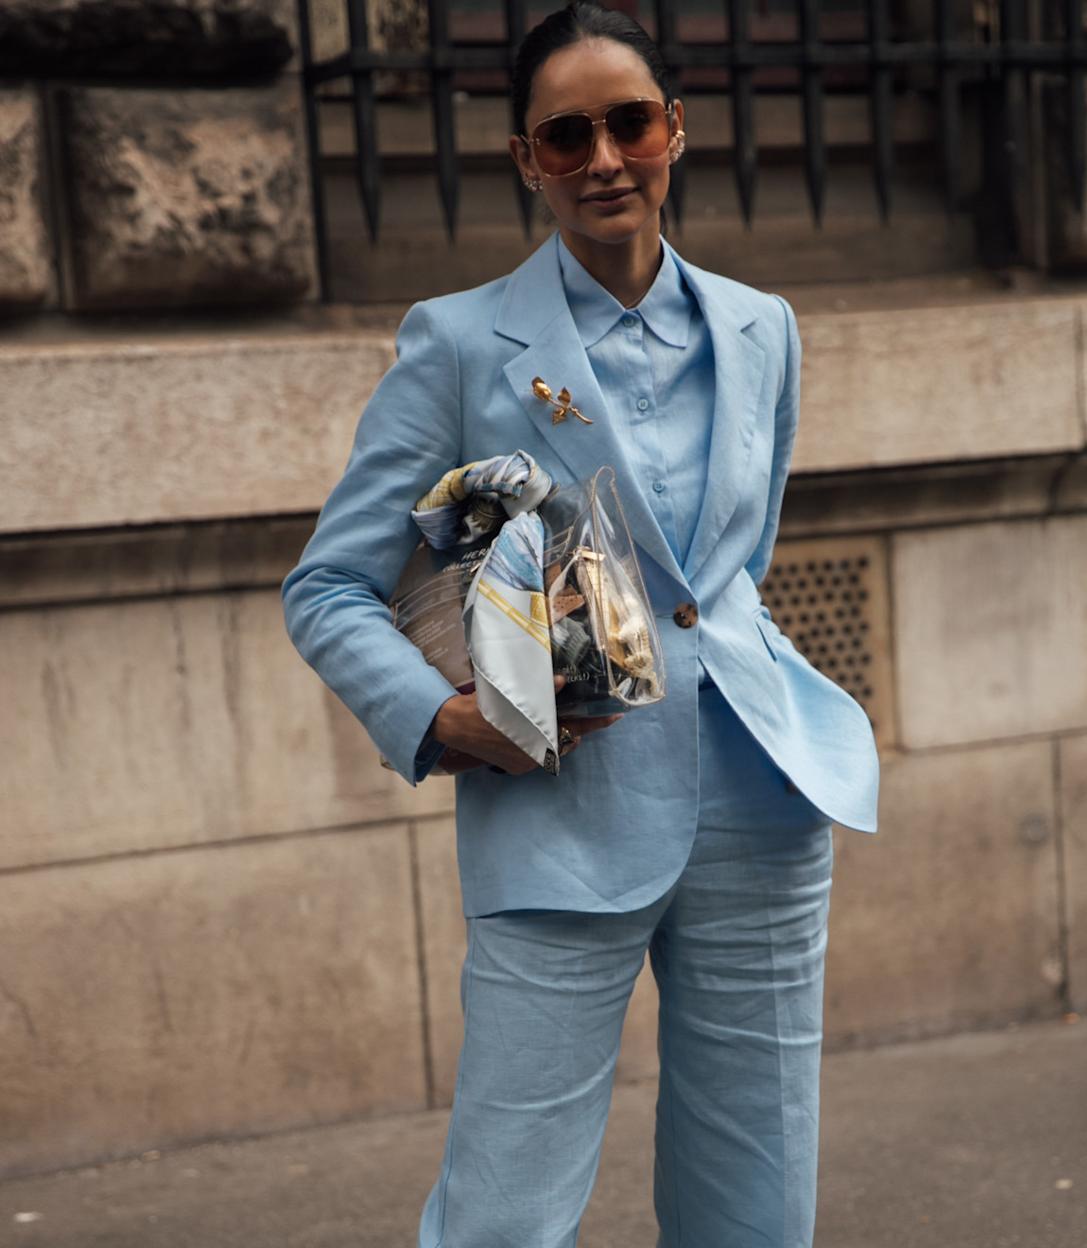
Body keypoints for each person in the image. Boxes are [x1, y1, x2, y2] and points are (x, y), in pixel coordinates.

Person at [282, 3, 879, 1243]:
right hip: (558, 813)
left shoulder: (761, 327)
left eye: (627, 125)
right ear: (526, 160)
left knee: (759, 1203)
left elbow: (730, 569)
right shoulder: (457, 345)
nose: (603, 159)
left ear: (676, 132)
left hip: (762, 802)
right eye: (566, 137)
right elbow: (327, 587)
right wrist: (444, 719)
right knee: (506, 1212)